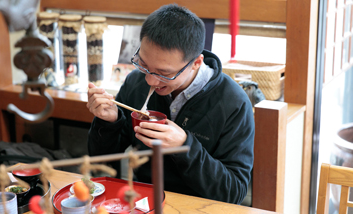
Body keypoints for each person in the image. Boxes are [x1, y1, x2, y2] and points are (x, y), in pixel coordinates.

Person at [87, 4, 254, 204]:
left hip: (200, 207)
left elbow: (233, 192)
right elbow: (101, 165)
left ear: (196, 63)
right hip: (144, 201)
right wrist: (109, 123)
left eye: (164, 74)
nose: (150, 81)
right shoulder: (136, 82)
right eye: (144, 64)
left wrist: (185, 146)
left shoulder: (233, 103)